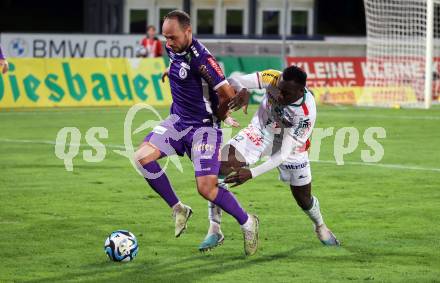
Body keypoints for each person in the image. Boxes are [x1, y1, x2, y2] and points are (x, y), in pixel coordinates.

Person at [134, 10, 259, 256]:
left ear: (188, 32)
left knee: (206, 187)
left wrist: (225, 112)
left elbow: (227, 95)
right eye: (165, 37)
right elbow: (179, 67)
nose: (168, 42)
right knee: (141, 158)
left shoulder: (203, 60)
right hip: (178, 121)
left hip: (204, 128)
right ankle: (179, 208)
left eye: (173, 37)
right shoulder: (173, 46)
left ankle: (248, 222)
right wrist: (171, 74)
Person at [198, 66, 340, 251]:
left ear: (300, 91)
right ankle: (215, 229)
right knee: (218, 168)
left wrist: (252, 173)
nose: (279, 95)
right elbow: (232, 80)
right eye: (279, 89)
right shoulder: (272, 77)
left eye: (285, 93)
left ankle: (320, 225)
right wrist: (243, 90)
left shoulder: (306, 114)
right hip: (260, 132)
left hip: (290, 148)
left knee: (303, 198)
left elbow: (282, 154)